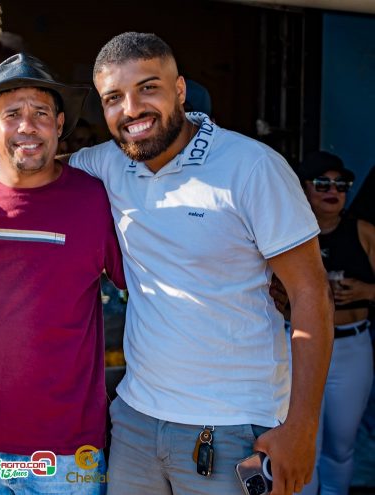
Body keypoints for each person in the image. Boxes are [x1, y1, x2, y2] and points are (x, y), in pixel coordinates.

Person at [65, 32, 333, 495]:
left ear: (180, 90)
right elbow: (26, 170)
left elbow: (312, 294)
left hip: (233, 427)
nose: (131, 109)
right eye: (114, 98)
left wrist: (302, 426)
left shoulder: (251, 167)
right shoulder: (107, 163)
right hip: (135, 421)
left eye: (148, 88)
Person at [0, 53, 125, 494]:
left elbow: (145, 288)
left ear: (59, 124)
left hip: (67, 450)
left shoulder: (95, 201)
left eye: (41, 113)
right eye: (12, 114)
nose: (28, 126)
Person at [296, 151, 375, 495]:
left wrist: (366, 290)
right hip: (298, 345)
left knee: (341, 446)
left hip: (351, 344)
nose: (333, 190)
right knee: (303, 443)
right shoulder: (289, 232)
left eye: (341, 184)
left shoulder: (363, 231)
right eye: (322, 183)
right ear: (303, 189)